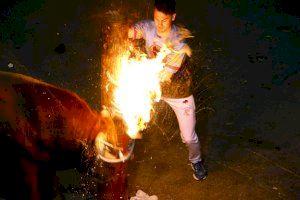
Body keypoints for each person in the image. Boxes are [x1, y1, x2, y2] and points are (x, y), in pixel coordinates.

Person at [128, 0, 207, 180]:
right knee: (131, 113)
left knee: (188, 137)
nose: (159, 24)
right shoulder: (149, 27)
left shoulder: (179, 39)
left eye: (164, 20)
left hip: (178, 91)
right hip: (152, 85)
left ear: (173, 17)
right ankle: (126, 148)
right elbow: (133, 32)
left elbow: (166, 75)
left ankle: (196, 161)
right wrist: (123, 30)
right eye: (156, 19)